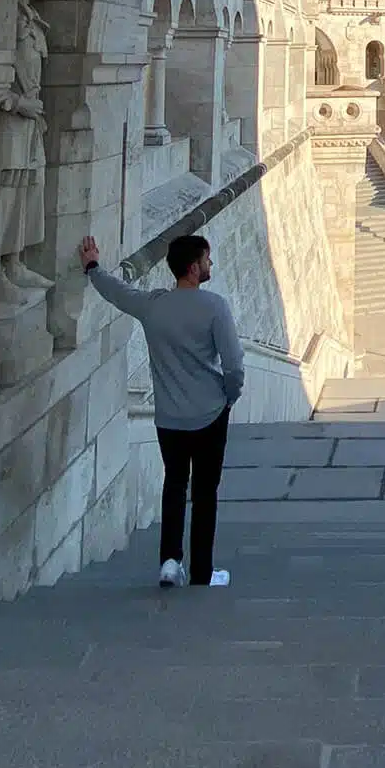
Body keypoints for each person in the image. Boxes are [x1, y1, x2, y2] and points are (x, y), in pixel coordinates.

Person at [79, 232, 245, 587]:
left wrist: (92, 266)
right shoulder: (215, 307)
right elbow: (233, 364)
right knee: (204, 494)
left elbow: (117, 293)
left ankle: (170, 562)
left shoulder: (153, 305)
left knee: (174, 484)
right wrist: (230, 396)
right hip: (210, 413)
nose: (210, 264)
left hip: (169, 417)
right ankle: (202, 572)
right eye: (206, 260)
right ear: (192, 267)